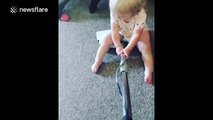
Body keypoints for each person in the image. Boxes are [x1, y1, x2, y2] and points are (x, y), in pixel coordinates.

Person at [91, 0, 154, 84]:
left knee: (146, 47)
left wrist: (128, 48)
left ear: (134, 13)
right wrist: (117, 45)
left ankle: (149, 70)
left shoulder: (140, 14)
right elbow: (114, 29)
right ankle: (97, 60)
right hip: (121, 30)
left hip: (138, 32)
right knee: (105, 40)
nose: (118, 17)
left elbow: (136, 34)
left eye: (121, 16)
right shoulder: (115, 10)